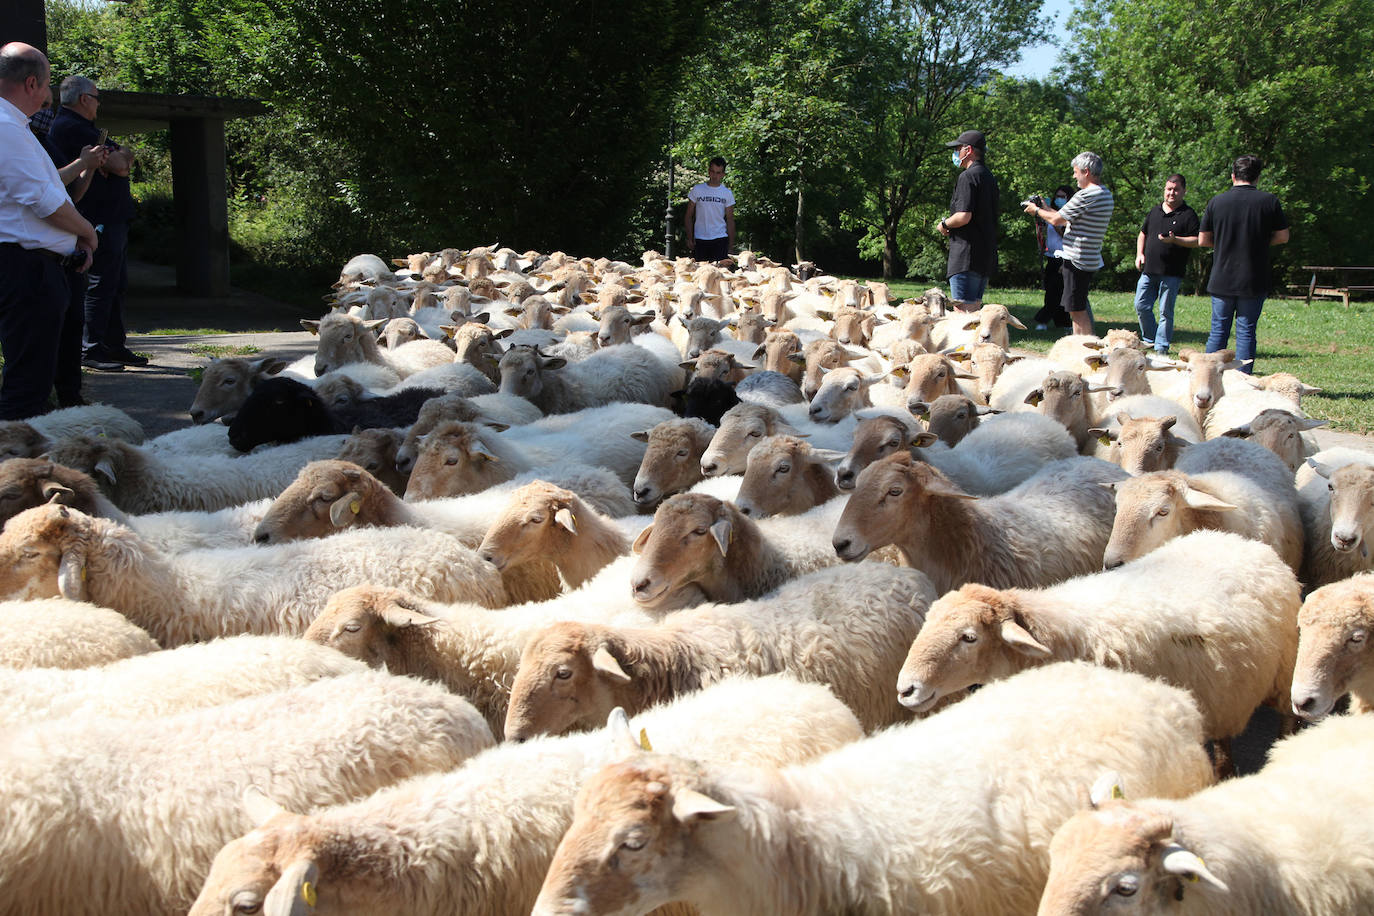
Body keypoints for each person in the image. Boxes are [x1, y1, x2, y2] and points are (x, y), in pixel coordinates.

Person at [0, 42, 99, 420]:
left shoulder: (16, 127)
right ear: (31, 83)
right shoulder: (6, 127)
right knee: (27, 390)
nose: (47, 98)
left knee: (33, 384)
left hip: (33, 267)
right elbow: (43, 201)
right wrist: (88, 232)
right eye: (46, 87)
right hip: (27, 270)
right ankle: (14, 457)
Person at [47, 74, 147, 371]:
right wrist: (117, 159)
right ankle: (91, 349)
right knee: (100, 284)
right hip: (98, 218)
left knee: (115, 285)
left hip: (112, 218)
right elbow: (120, 164)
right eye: (97, 98)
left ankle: (113, 345)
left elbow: (124, 160)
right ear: (84, 99)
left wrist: (119, 158)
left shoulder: (87, 129)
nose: (99, 104)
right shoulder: (71, 127)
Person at [1194, 154, 1289, 373]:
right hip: (1253, 277)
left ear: (1233, 176)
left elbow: (1203, 240)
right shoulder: (1269, 201)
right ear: (1257, 177)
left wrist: (1224, 243)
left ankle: (1207, 377)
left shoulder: (1217, 201)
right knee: (1246, 332)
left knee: (1218, 332)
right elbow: (1283, 236)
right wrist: (1261, 242)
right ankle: (1243, 380)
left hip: (1222, 276)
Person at [1024, 151, 1114, 337]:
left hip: (1077, 259)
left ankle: (1083, 345)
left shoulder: (1086, 195)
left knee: (1076, 310)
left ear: (1086, 171)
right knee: (1080, 305)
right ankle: (1085, 342)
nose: (1074, 176)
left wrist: (1036, 211)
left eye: (1075, 172)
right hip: (1089, 257)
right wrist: (1045, 208)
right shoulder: (1105, 193)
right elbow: (1066, 218)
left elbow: (1056, 220)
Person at [1133, 174, 1199, 354]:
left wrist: (1175, 240)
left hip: (1172, 272)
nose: (1171, 193)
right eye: (1169, 189)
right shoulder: (1155, 211)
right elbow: (1143, 234)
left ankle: (1161, 346)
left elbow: (1197, 240)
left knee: (1165, 312)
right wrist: (1139, 254)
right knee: (1141, 305)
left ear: (1184, 191)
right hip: (1149, 270)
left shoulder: (1188, 214)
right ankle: (1150, 339)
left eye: (1176, 190)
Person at [936, 129, 999, 312]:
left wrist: (944, 224)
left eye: (958, 149)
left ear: (968, 150)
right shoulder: (989, 177)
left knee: (961, 312)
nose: (955, 153)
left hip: (965, 255)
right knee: (974, 310)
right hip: (984, 254)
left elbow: (964, 216)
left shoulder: (967, 176)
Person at [1032, 184, 1075, 330]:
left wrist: (1052, 220)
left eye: (1063, 197)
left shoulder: (1067, 216)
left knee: (1056, 290)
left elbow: (1064, 233)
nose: (1059, 199)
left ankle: (1043, 319)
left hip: (1064, 256)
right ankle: (1062, 322)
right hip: (1051, 256)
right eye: (1057, 196)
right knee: (1053, 289)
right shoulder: (1052, 214)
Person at [684, 157, 735, 262]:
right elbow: (688, 215)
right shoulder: (697, 190)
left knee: (720, 271)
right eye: (712, 171)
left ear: (723, 174)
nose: (715, 176)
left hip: (720, 238)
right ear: (708, 171)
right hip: (700, 239)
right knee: (701, 271)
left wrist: (730, 245)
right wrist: (690, 237)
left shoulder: (727, 193)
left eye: (718, 173)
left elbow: (730, 219)